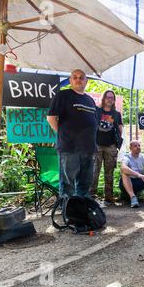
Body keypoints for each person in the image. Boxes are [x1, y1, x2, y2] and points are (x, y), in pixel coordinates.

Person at [47, 69, 97, 198]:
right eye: (75, 77)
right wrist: (64, 134)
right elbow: (51, 118)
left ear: (86, 81)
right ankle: (68, 214)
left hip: (88, 149)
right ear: (70, 80)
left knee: (85, 185)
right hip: (69, 148)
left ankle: (82, 212)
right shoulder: (63, 95)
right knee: (68, 185)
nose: (78, 80)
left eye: (81, 77)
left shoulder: (90, 100)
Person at [90, 90, 123, 205]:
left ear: (114, 100)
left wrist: (116, 144)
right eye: (108, 97)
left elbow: (120, 129)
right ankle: (91, 196)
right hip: (96, 145)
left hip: (111, 146)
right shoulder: (97, 111)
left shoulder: (116, 114)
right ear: (103, 98)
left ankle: (109, 197)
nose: (110, 99)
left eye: (112, 98)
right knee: (94, 171)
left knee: (109, 172)